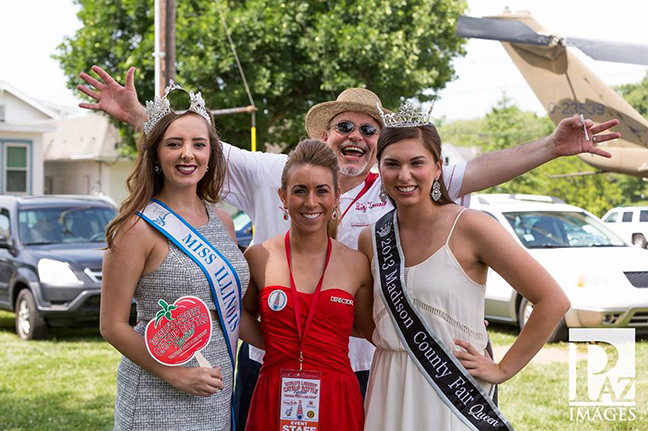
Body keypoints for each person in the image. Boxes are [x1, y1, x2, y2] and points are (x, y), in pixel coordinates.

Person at [78, 65, 619, 428]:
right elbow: (192, 143)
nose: (355, 136)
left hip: (362, 371)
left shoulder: (398, 186)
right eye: (344, 126)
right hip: (272, 368)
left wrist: (553, 147)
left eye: (367, 129)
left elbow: (479, 169)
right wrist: (137, 114)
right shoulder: (274, 171)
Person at [357, 106, 571, 430]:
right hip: (389, 383)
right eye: (392, 164)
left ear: (438, 166)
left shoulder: (471, 226)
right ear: (379, 168)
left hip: (453, 391)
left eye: (417, 162)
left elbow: (552, 300)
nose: (404, 175)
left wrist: (502, 369)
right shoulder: (371, 238)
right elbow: (370, 325)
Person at [100, 83, 261, 431]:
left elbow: (231, 311)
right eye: (174, 144)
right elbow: (111, 325)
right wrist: (176, 374)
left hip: (216, 390)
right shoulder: (135, 229)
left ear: (210, 155)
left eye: (198, 145)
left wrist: (292, 347)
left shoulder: (223, 222)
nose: (188, 154)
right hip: (157, 398)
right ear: (157, 155)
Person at [243, 140, 373, 431]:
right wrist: (280, 346)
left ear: (337, 196)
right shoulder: (258, 256)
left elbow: (368, 330)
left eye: (322, 191)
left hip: (337, 400)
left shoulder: (357, 264)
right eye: (300, 190)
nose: (311, 202)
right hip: (274, 393)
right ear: (283, 196)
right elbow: (236, 316)